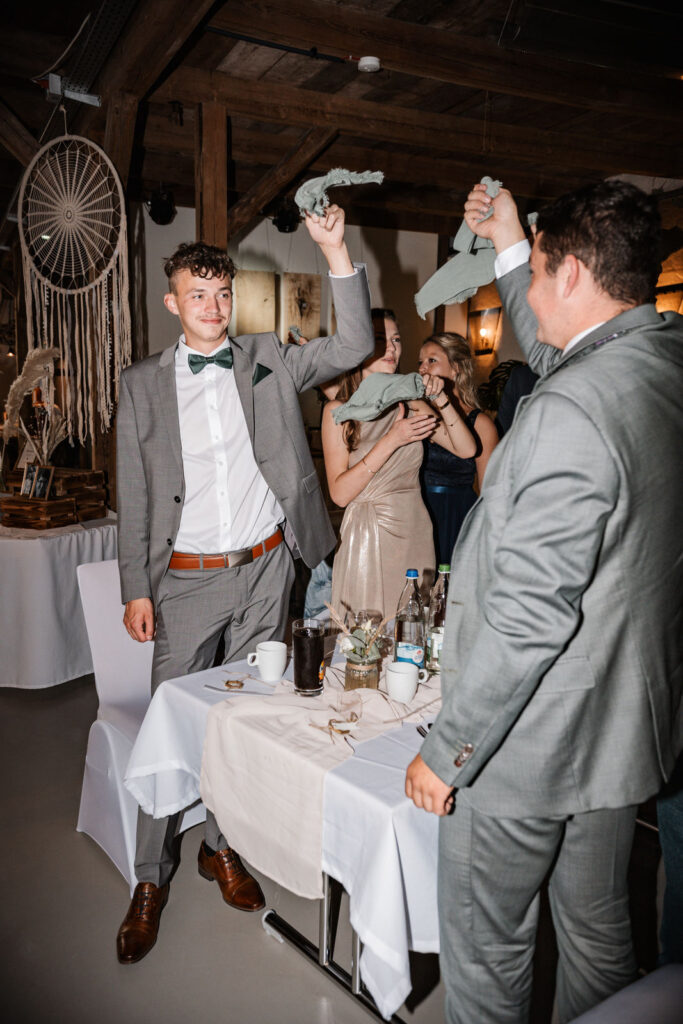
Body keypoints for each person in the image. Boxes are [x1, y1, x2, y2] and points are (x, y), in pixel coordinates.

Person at [405, 179, 683, 1023]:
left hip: (527, 747)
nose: (520, 298)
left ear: (570, 276)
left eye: (531, 275)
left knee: (486, 958)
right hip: (618, 732)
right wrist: (508, 237)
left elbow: (529, 617)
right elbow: (568, 357)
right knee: (598, 939)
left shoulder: (569, 410)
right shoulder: (659, 360)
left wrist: (447, 751)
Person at [115, 205, 374, 964]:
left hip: (267, 569)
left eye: (222, 293)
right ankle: (150, 876)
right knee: (170, 726)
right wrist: (136, 587)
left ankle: (219, 846)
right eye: (197, 294)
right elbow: (133, 491)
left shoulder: (268, 359)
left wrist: (335, 250)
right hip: (185, 581)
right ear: (173, 302)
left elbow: (354, 343)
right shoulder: (142, 383)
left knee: (245, 717)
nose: (213, 306)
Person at [323, 308, 476, 620]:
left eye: (396, 339)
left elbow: (466, 449)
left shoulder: (411, 403)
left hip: (415, 528)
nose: (391, 348)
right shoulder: (339, 410)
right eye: (381, 339)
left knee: (413, 628)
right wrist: (392, 439)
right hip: (369, 533)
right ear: (359, 345)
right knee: (369, 633)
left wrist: (441, 398)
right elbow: (339, 495)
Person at [417, 332, 498, 564]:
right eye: (420, 362)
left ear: (456, 368)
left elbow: (490, 494)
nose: (422, 368)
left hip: (457, 517)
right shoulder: (415, 411)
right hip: (415, 511)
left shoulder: (480, 424)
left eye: (432, 360)